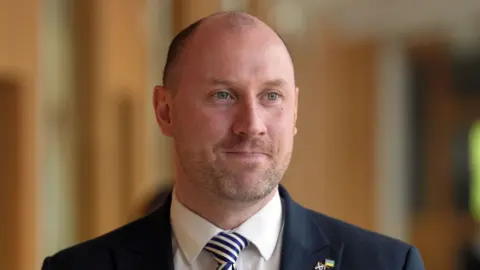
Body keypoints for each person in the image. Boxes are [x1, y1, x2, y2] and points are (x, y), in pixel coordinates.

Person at [41, 11, 425, 270]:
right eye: (223, 95)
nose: (251, 124)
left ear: (294, 113)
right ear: (165, 111)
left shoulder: (386, 264)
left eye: (271, 96)